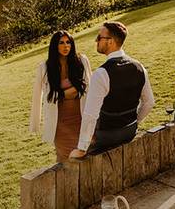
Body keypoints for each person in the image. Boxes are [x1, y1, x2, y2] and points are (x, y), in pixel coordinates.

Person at [70, 21, 155, 157]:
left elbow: (90, 115)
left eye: (99, 37)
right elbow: (149, 102)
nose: (96, 41)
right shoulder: (140, 67)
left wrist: (81, 148)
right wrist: (135, 122)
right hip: (130, 130)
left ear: (110, 42)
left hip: (107, 136)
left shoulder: (101, 74)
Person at [29, 31, 93, 163]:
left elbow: (89, 86)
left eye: (68, 42)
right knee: (66, 159)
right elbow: (40, 96)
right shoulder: (45, 68)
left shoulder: (81, 61)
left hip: (81, 119)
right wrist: (35, 124)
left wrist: (61, 95)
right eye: (61, 43)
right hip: (59, 123)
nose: (66, 46)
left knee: (86, 155)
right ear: (55, 46)